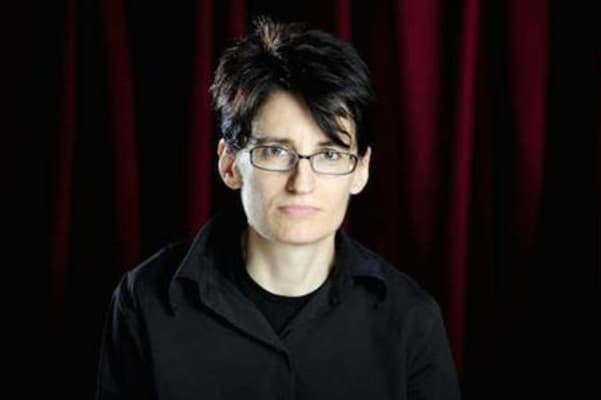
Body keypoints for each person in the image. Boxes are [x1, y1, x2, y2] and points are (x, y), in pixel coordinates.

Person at [96, 16, 461, 400]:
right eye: (275, 151)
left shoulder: (410, 320)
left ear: (361, 170)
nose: (301, 183)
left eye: (330, 155)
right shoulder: (144, 301)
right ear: (229, 163)